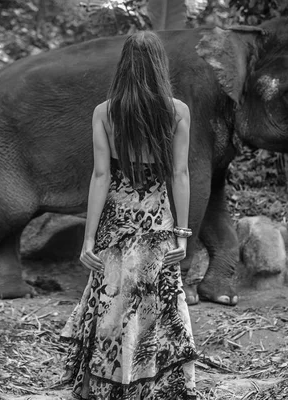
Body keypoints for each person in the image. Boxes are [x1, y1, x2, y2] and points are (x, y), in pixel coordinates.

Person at [59, 30, 197, 400]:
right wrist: (182, 233)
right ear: (159, 65)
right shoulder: (177, 111)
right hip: (157, 221)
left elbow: (101, 175)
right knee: (157, 301)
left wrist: (88, 237)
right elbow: (179, 175)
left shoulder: (105, 112)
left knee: (111, 300)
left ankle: (102, 388)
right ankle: (156, 387)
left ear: (124, 66)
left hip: (117, 220)